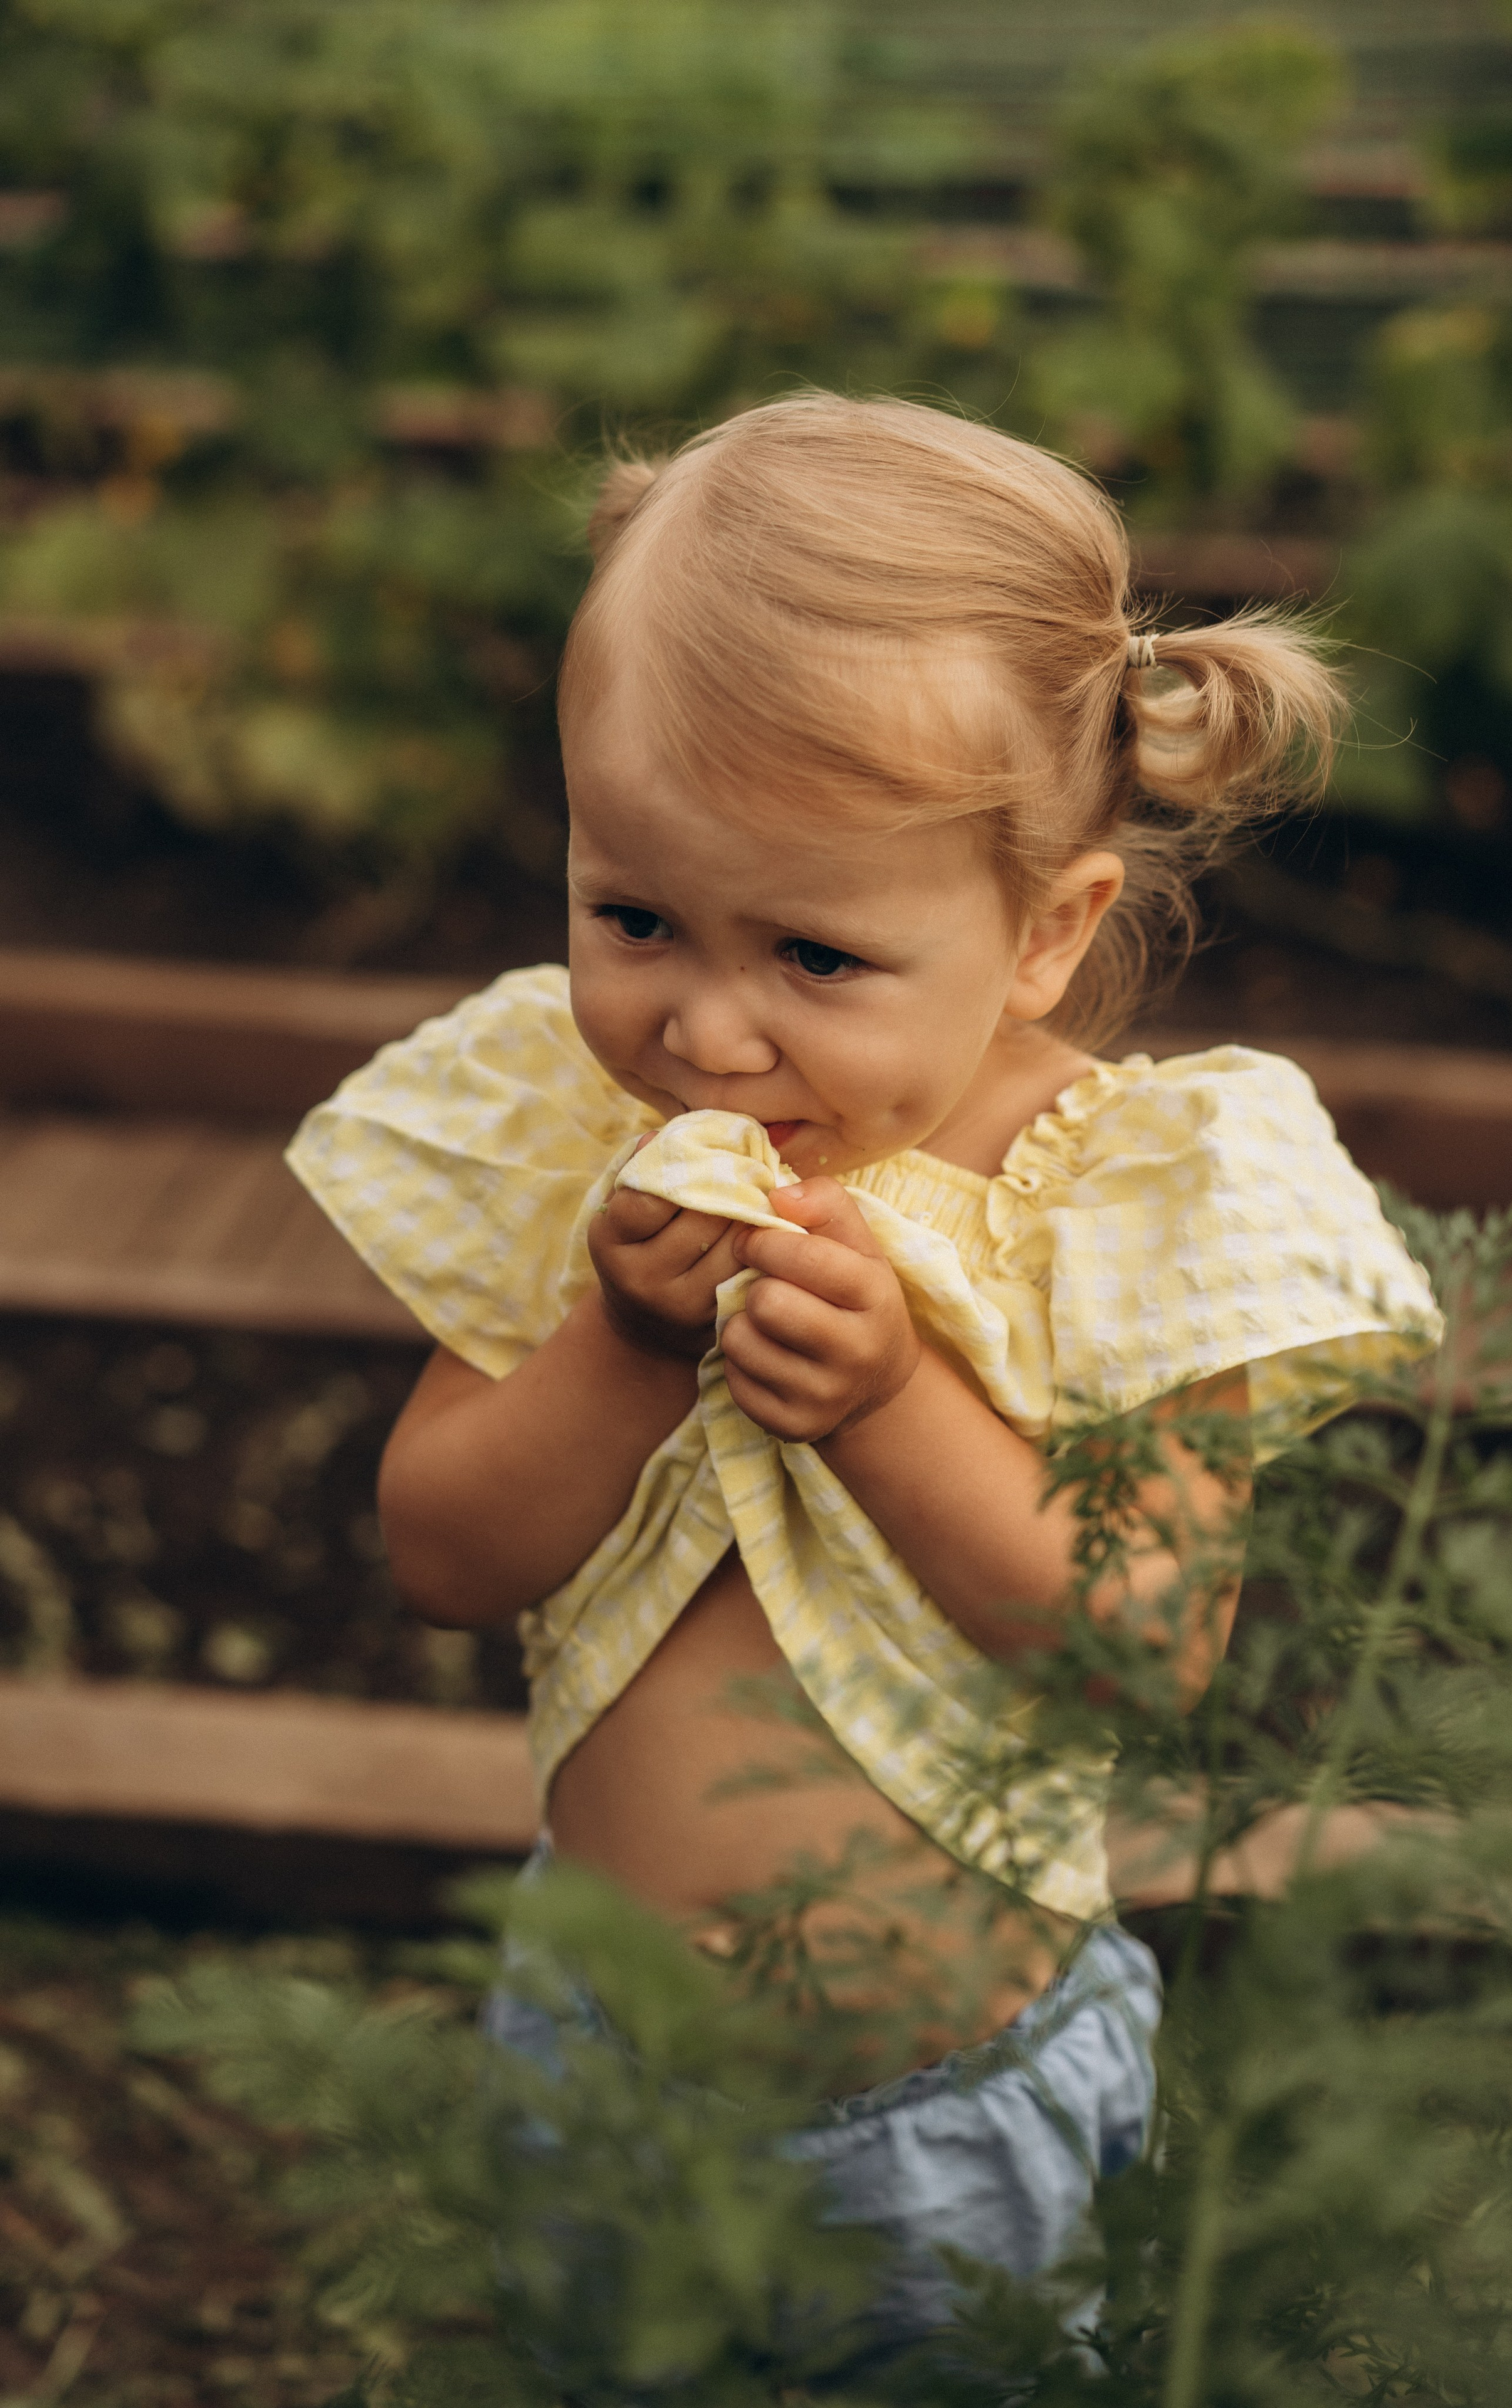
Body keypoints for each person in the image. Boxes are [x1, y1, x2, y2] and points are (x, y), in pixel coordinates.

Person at [286, 393, 1441, 2374]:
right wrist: (623, 1349)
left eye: (815, 954)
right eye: (632, 915)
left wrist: (896, 1404)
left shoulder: (1129, 1194)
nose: (708, 1029)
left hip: (947, 2123)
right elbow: (442, 1553)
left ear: (1047, 932)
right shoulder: (579, 1133)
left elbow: (1144, 1651)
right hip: (603, 2060)